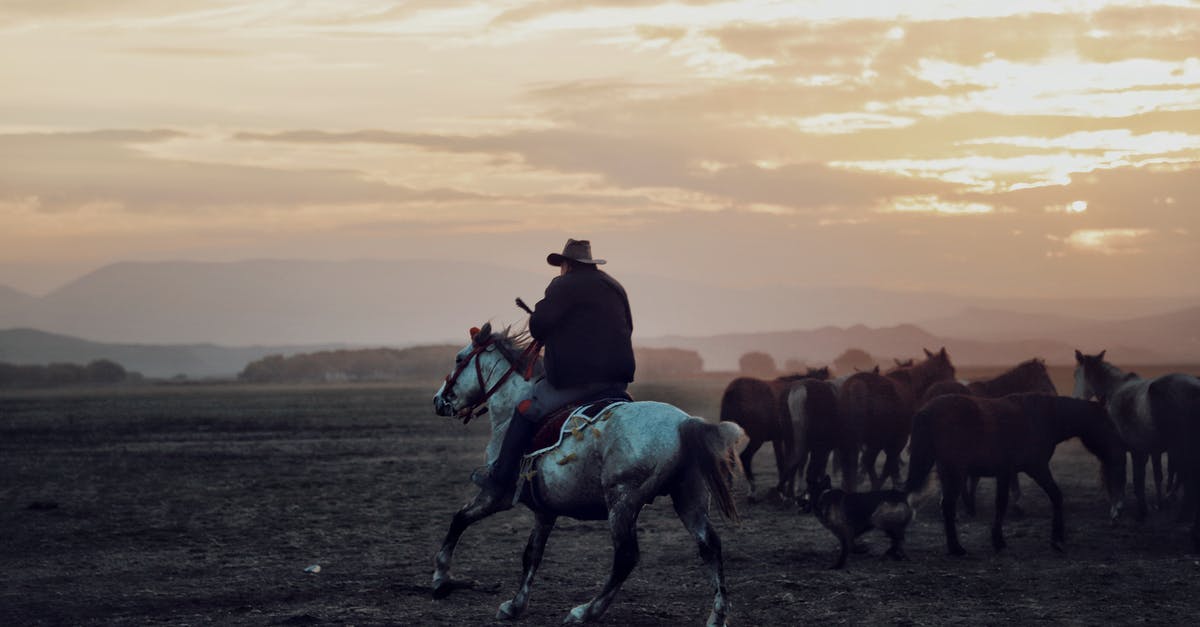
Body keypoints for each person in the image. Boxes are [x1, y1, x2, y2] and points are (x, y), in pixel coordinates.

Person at [473, 238, 636, 502]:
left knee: (527, 407)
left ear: (568, 265)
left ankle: (500, 478)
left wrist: (540, 316)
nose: (560, 269)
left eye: (561, 264)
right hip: (618, 381)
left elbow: (539, 327)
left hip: (578, 381)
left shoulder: (563, 285)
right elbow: (625, 327)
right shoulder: (614, 287)